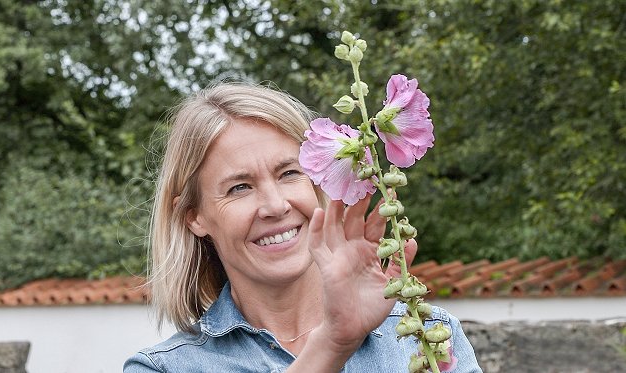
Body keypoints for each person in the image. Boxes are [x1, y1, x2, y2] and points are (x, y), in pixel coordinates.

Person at [124, 82, 482, 372]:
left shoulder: (430, 336)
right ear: (194, 216)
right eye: (240, 187)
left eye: (289, 173)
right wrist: (333, 344)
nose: (276, 206)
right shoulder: (165, 368)